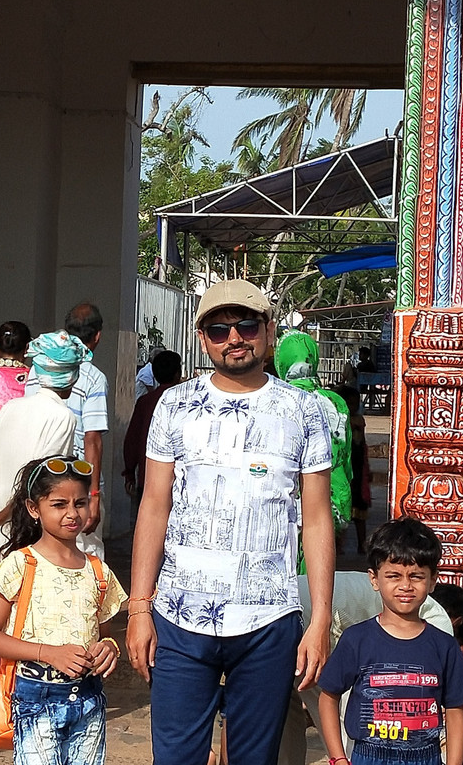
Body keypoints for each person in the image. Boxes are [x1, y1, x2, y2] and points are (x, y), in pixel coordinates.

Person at [126, 278, 336, 765]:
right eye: (219, 330)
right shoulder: (174, 406)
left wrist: (320, 616)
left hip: (269, 618)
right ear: (203, 338)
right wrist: (140, 609)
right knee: (175, 757)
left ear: (268, 331)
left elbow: (317, 516)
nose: (234, 338)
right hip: (180, 617)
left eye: (245, 325)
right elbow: (154, 507)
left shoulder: (303, 410)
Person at [0, 456, 128, 765]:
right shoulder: (20, 564)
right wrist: (48, 653)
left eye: (80, 503)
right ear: (34, 509)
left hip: (89, 699)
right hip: (35, 699)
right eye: (59, 504)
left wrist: (109, 649)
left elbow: (107, 636)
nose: (72, 514)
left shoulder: (98, 571)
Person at [318, 518, 463, 765]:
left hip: (425, 757)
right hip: (367, 757)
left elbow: (456, 710)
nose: (405, 586)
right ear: (374, 579)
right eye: (393, 576)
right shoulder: (356, 640)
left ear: (433, 580)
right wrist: (338, 758)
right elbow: (328, 696)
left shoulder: (443, 645)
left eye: (416, 577)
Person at [275, 573, 463, 765]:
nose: (406, 585)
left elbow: (452, 708)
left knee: (284, 719)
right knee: (351, 720)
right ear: (457, 622)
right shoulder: (439, 625)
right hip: (307, 618)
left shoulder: (426, 626)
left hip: (282, 609)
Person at [0, 330, 87, 574]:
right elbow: (36, 481)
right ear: (72, 378)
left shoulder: (10, 408)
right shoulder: (62, 417)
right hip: (30, 539)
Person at [25, 303, 108, 559]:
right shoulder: (93, 376)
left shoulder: (35, 370)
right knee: (84, 557)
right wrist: (92, 496)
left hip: (40, 480)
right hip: (77, 486)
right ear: (97, 336)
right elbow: (92, 439)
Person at [274, 331, 352, 553]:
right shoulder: (335, 402)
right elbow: (345, 458)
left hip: (287, 502)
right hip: (333, 499)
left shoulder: (276, 401)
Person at [122, 350, 181, 514]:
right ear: (178, 373)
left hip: (147, 479)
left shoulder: (145, 402)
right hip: (180, 483)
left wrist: (129, 472)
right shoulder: (187, 403)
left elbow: (132, 440)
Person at [334, 385, 372, 554]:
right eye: (348, 403)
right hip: (343, 470)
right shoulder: (339, 420)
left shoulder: (357, 420)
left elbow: (362, 446)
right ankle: (338, 546)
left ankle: (362, 544)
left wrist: (367, 467)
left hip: (357, 469)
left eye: (355, 403)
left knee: (359, 511)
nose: (352, 407)